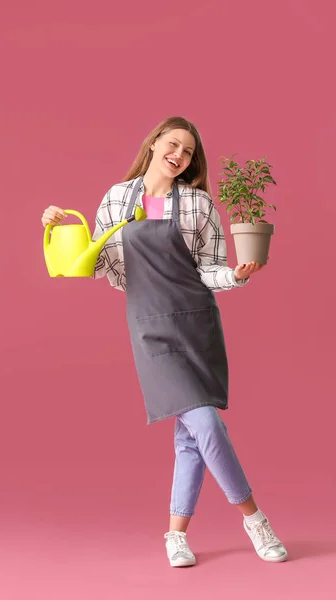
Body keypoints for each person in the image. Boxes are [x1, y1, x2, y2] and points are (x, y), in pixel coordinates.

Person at [41, 116, 288, 567]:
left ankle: (175, 535)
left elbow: (209, 268)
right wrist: (56, 225)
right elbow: (95, 262)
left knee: (191, 437)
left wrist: (233, 275)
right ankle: (256, 520)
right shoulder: (117, 198)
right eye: (173, 144)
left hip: (197, 322)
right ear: (154, 143)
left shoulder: (198, 204)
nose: (179, 155)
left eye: (188, 152)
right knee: (206, 424)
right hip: (150, 327)